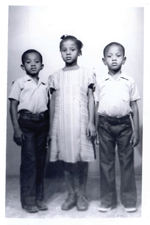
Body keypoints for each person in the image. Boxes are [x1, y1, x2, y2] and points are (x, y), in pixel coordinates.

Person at [48, 35, 96, 211]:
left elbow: (91, 99)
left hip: (81, 122)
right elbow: (52, 103)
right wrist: (50, 129)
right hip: (62, 124)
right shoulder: (55, 76)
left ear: (79, 52)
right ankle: (71, 194)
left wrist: (91, 123)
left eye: (72, 49)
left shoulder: (87, 73)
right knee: (67, 161)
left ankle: (82, 194)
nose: (68, 53)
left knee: (82, 160)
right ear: (60, 52)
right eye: (64, 50)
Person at [95, 42, 140, 213]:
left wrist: (137, 131)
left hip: (125, 126)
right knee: (106, 163)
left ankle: (129, 200)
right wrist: (95, 127)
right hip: (104, 125)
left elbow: (134, 107)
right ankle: (107, 201)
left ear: (124, 59)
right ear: (103, 60)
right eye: (109, 56)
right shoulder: (100, 81)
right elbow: (96, 105)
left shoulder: (129, 81)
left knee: (126, 163)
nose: (114, 59)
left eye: (118, 55)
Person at [9, 49, 50, 213]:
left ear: (42, 65)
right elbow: (12, 106)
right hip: (26, 124)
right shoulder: (20, 82)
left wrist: (48, 131)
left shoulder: (45, 86)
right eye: (28, 61)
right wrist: (16, 129)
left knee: (40, 163)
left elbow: (48, 108)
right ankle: (28, 201)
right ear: (22, 65)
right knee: (29, 163)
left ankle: (39, 199)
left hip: (42, 124)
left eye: (36, 61)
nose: (33, 64)